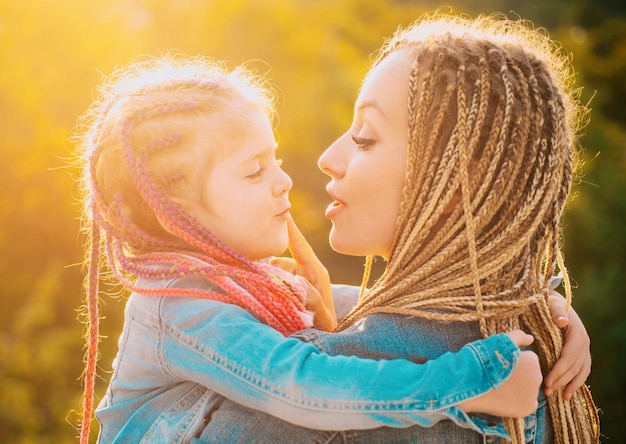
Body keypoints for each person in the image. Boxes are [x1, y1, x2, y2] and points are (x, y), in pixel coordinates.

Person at [73, 54, 551, 444]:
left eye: (274, 160)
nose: (284, 182)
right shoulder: (181, 308)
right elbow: (304, 386)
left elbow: (368, 304)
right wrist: (465, 383)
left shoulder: (241, 277)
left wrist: (537, 307)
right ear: (176, 214)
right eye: (254, 171)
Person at [196, 11, 600, 444]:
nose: (329, 157)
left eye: (365, 137)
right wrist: (544, 299)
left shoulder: (323, 390)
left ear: (458, 180)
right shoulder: (541, 351)